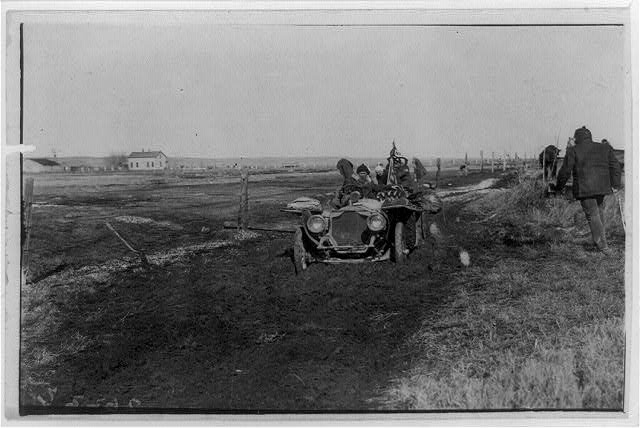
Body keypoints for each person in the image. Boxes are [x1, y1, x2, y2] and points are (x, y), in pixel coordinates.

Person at [550, 126, 622, 255]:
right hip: (602, 187)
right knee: (599, 213)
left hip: (585, 189)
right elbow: (616, 166)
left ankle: (603, 247)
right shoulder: (604, 147)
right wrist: (616, 185)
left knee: (593, 215)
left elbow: (565, 171)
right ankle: (600, 242)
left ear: (576, 138)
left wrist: (559, 187)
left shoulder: (573, 150)